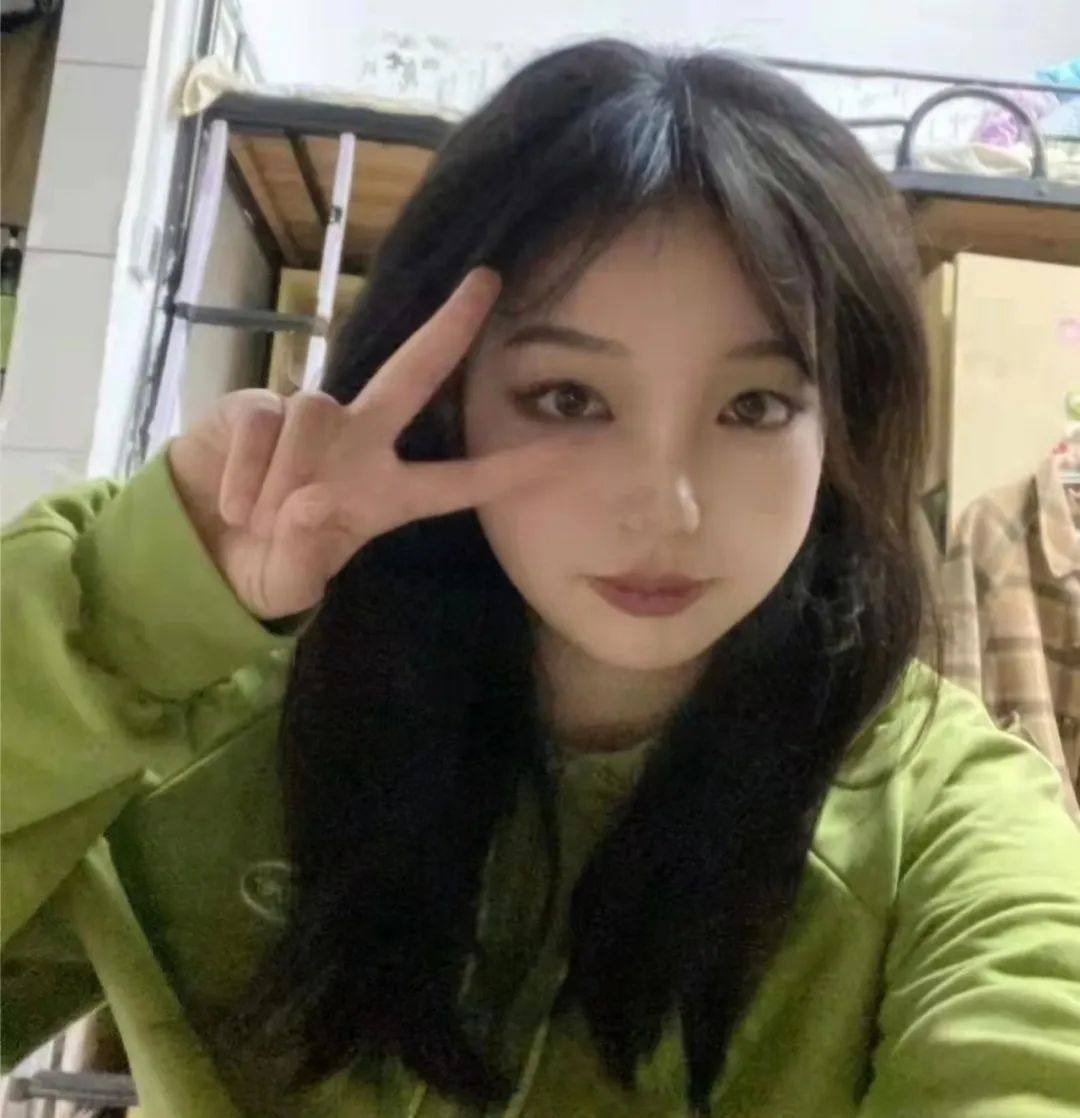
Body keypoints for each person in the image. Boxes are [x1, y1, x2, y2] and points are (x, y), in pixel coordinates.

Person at [2, 38, 1079, 1118]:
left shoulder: (944, 814)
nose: (667, 507)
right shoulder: (196, 700)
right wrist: (133, 608)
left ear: (839, 427)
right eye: (570, 398)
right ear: (448, 398)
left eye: (753, 406)